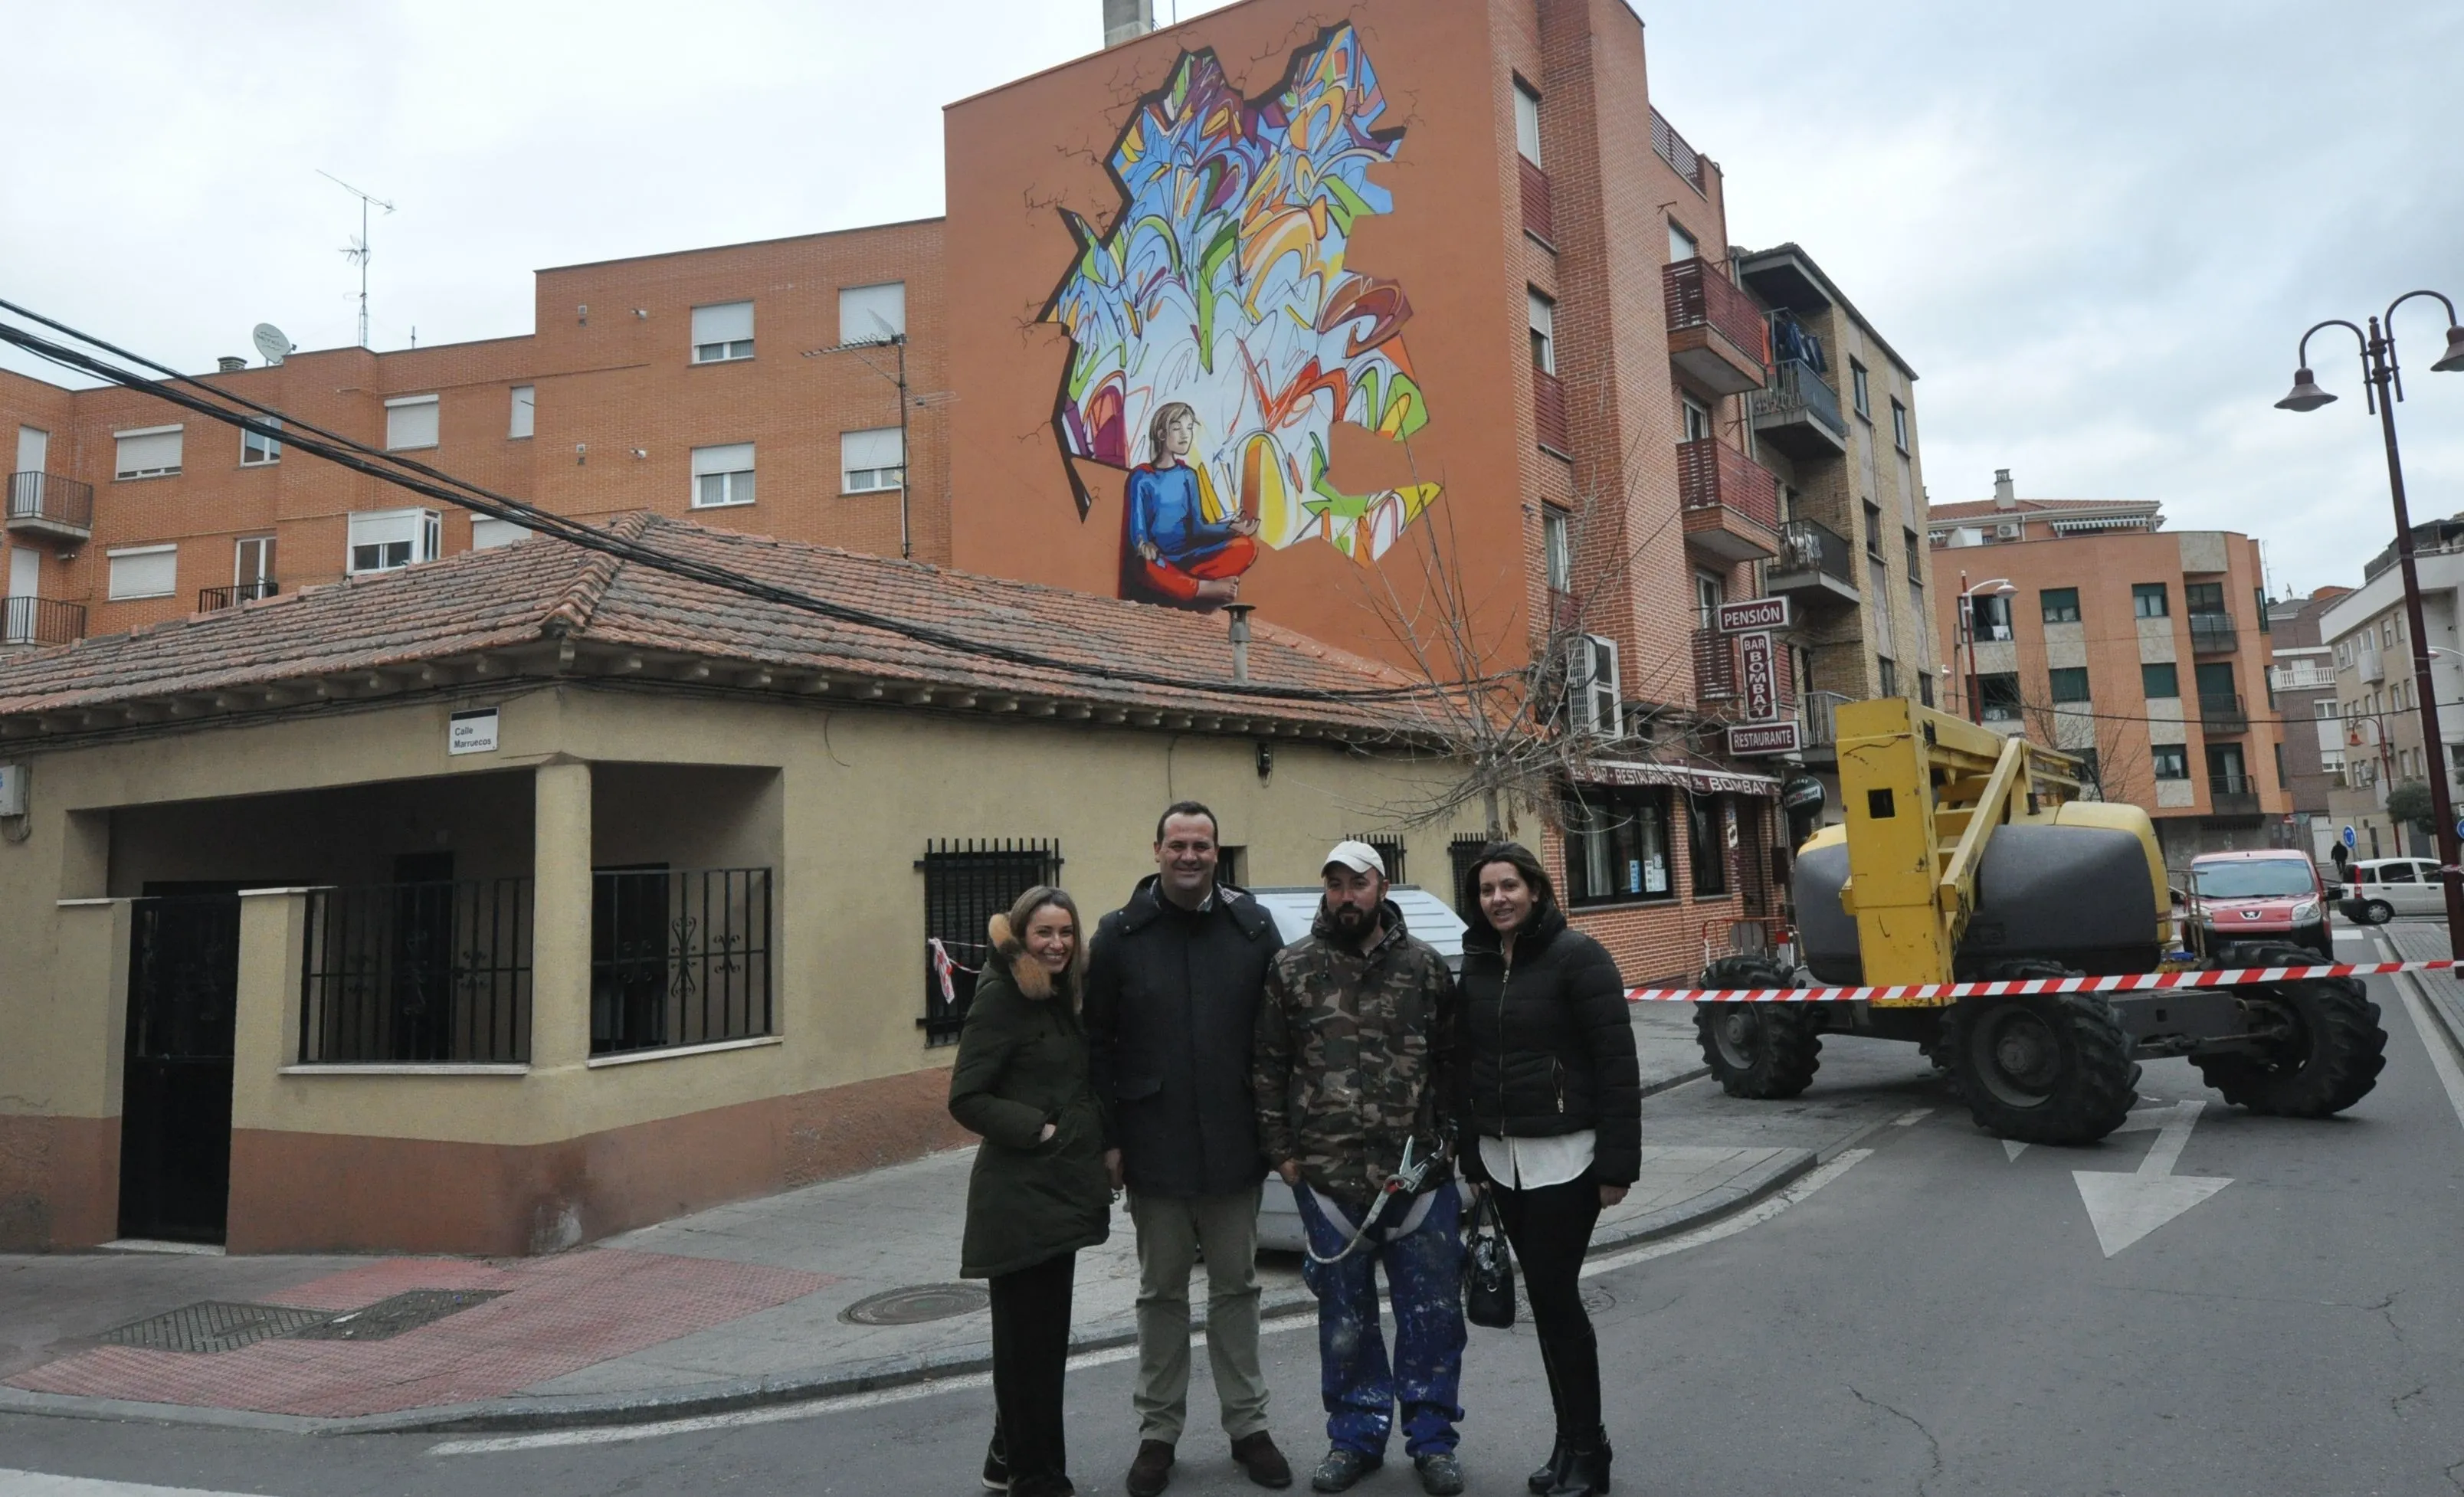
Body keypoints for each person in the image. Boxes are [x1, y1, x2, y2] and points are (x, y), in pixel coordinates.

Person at [1085, 802, 1295, 1495]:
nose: (1189, 856)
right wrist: (1110, 1140)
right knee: (1160, 1295)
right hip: (1155, 1147)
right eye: (1177, 845)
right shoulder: (1119, 935)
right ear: (1157, 850)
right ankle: (1158, 1434)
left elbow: (1279, 1040)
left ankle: (1248, 1427)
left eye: (1201, 846)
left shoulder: (1253, 927)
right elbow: (1098, 1047)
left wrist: (1278, 1133)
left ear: (1216, 853)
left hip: (1235, 1145)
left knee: (1238, 1289)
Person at [1253, 842, 1467, 1496]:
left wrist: (1454, 1149)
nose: (1347, 896)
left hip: (1419, 1183)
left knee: (1432, 1319)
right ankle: (1355, 1435)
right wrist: (1284, 1158)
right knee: (1345, 1324)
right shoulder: (1291, 969)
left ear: (1383, 887)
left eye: (1359, 884)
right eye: (1336, 885)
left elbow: (1453, 1067)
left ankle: (1432, 1441)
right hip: (1329, 1181)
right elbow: (1266, 1068)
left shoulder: (1426, 968)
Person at [1455, 842, 1640, 1497]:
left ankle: (1590, 1452)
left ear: (1535, 890)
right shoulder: (1478, 963)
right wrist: (1469, 1151)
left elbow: (1617, 1064)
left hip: (1568, 1160)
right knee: (1546, 1300)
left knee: (1557, 1302)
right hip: (1503, 1163)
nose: (1498, 899)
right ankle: (1568, 1446)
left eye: (1509, 886)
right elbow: (1466, 1062)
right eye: (1486, 890)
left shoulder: (1579, 958)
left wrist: (1619, 1163)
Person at [949, 886, 1116, 1497]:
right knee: (1028, 1353)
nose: (1057, 944)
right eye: (1045, 933)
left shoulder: (1059, 999)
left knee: (1040, 1346)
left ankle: (1004, 1457)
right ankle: (1036, 1478)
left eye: (1066, 933)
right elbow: (966, 1097)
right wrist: (1038, 1129)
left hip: (1060, 1191)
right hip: (1018, 1198)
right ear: (1022, 935)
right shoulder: (1003, 998)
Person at [1122, 402, 1260, 609]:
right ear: (1161, 434)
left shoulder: (1188, 475)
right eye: (1177, 428)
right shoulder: (1142, 477)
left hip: (1190, 558)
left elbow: (1197, 527)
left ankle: (1187, 583)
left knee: (1246, 547)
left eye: (1189, 428)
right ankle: (1205, 589)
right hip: (1159, 559)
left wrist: (1230, 529)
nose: (1185, 435)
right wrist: (1145, 544)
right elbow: (1138, 529)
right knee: (1146, 565)